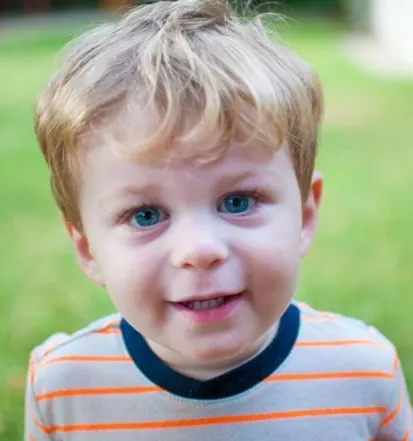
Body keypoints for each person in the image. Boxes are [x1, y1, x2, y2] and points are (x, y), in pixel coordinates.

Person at [24, 0, 412, 439]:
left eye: (238, 202)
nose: (200, 249)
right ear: (87, 248)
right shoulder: (62, 388)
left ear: (304, 216)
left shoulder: (365, 374)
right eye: (145, 214)